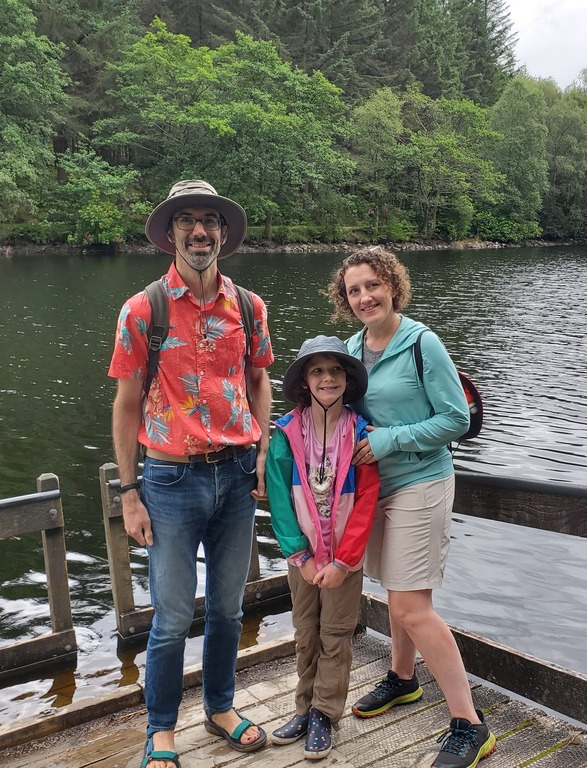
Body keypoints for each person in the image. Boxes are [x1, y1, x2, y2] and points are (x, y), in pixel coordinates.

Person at [108, 180, 274, 768]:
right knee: (173, 616)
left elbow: (258, 380)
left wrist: (262, 449)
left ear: (223, 234)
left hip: (234, 478)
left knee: (228, 608)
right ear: (171, 234)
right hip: (170, 482)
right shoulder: (143, 309)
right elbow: (127, 405)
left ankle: (221, 707)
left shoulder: (249, 308)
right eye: (188, 221)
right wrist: (130, 492)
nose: (200, 231)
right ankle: (160, 730)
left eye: (210, 221)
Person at [326, 246, 496, 768]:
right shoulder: (353, 347)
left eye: (372, 285)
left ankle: (470, 725)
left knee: (409, 607)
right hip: (375, 489)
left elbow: (456, 420)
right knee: (396, 590)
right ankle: (403, 680)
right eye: (354, 290)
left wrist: (390, 441)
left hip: (421, 482)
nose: (364, 297)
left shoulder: (423, 343)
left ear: (393, 286)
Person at [265, 335, 380, 760]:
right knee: (305, 630)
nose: (327, 378)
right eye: (317, 370)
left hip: (344, 561)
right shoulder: (285, 433)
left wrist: (345, 560)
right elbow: (278, 498)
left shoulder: (363, 434)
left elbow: (367, 500)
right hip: (304, 558)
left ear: (347, 380)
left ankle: (324, 714)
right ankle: (303, 707)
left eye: (335, 370)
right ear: (304, 381)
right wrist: (301, 554)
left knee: (336, 634)